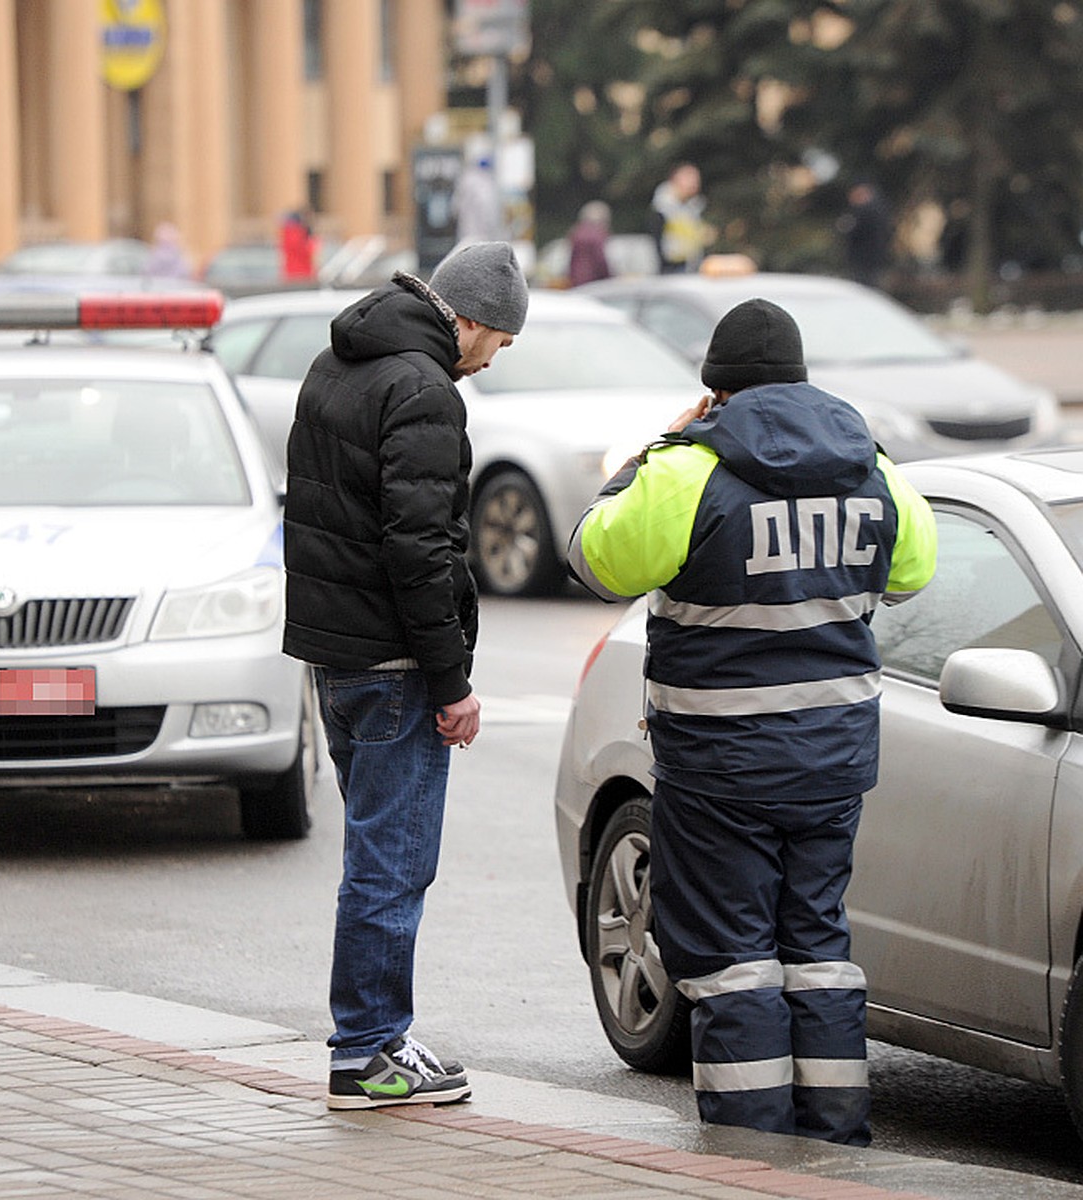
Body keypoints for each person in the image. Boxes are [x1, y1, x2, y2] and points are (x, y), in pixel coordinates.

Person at [568, 298, 937, 1146]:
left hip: (720, 769)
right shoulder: (869, 463)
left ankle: (752, 1158)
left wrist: (650, 453)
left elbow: (595, 558)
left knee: (733, 963)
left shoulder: (686, 469)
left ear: (716, 393)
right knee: (817, 947)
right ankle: (835, 1142)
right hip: (834, 763)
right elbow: (915, 570)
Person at [282, 242, 529, 1110]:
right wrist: (452, 681)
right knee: (391, 867)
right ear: (463, 318)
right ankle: (367, 1051)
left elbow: (319, 520)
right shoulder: (423, 390)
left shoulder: (334, 362)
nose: (491, 358)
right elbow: (420, 550)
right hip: (394, 669)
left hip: (337, 657)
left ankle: (379, 1039)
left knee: (373, 859)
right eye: (494, 339)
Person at [648, 162, 715, 273]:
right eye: (689, 178)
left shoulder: (694, 208)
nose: (694, 183)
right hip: (670, 271)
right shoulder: (661, 209)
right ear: (675, 180)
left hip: (691, 267)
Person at [837, 180, 892, 289]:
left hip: (863, 259)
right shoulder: (879, 210)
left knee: (863, 287)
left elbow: (850, 230)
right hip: (873, 258)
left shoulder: (865, 212)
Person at [567, 200, 612, 287]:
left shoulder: (576, 234)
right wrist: (609, 277)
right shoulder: (598, 235)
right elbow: (601, 260)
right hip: (595, 282)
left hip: (576, 280)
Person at [278, 209, 318, 282]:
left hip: (290, 274)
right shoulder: (302, 236)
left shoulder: (286, 235)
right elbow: (311, 254)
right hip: (304, 275)